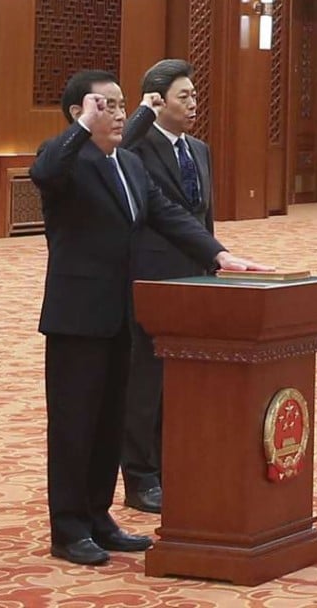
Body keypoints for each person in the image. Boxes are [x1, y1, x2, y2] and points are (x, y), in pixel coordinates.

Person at [30, 69, 272, 566]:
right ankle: (68, 527)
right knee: (75, 425)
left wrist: (220, 254)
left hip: (124, 312)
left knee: (108, 422)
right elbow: (46, 171)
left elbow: (168, 215)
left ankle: (98, 517)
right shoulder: (67, 163)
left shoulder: (128, 166)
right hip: (78, 318)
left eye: (122, 106)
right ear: (80, 112)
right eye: (108, 106)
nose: (119, 115)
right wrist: (81, 127)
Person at [117, 59, 210, 514]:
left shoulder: (199, 150)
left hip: (194, 278)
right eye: (183, 96)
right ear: (157, 101)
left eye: (194, 95)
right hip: (150, 279)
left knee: (183, 380)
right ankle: (140, 476)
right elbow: (116, 149)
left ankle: (175, 466)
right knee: (145, 383)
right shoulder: (136, 147)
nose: (193, 104)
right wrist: (142, 115)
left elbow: (200, 218)